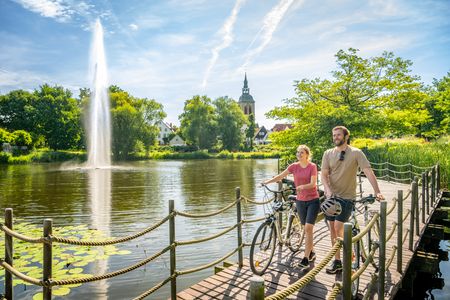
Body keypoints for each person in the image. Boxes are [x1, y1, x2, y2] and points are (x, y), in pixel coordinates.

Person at [320, 126, 384, 274]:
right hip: (331, 197)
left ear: (346, 136)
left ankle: (349, 254)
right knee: (332, 230)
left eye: (338, 135)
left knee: (337, 227)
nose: (335, 137)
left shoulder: (356, 153)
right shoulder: (327, 153)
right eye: (334, 135)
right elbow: (323, 174)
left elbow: (368, 171)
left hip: (347, 197)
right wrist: (327, 189)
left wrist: (377, 191)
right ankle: (337, 261)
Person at [262, 145, 320, 269]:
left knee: (309, 228)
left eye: (302, 152)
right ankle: (312, 252)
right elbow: (280, 176)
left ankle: (305, 259)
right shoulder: (293, 166)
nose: (299, 154)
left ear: (307, 154)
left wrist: (302, 187)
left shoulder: (312, 167)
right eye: (298, 152)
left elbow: (313, 184)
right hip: (300, 201)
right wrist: (267, 182)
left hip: (313, 201)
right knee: (306, 228)